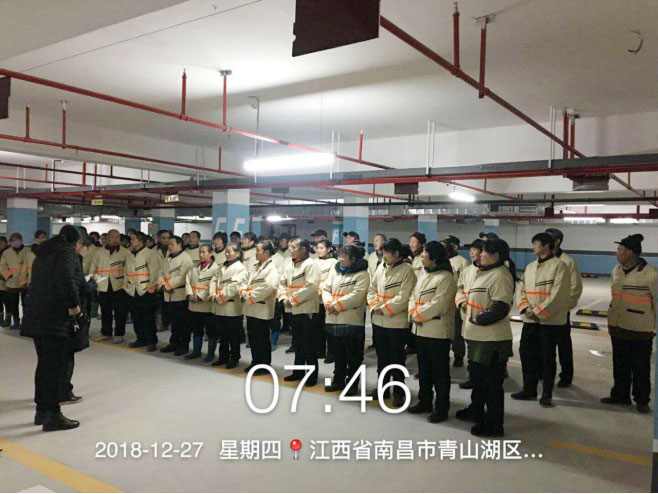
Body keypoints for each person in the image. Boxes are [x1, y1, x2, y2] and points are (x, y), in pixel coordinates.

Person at [21, 225, 87, 431]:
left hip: (37, 316)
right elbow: (66, 280)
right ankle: (52, 415)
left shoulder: (44, 253)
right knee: (54, 368)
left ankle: (41, 411)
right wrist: (74, 306)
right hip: (54, 318)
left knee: (44, 365)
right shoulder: (66, 253)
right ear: (76, 242)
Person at [457, 238, 516, 437]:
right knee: (478, 379)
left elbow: (500, 307)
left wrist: (476, 319)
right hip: (478, 338)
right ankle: (476, 410)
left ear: (496, 256)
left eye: (484, 252)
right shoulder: (484, 272)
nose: (480, 255)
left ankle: (494, 424)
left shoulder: (500, 276)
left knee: (491, 384)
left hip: (491, 340)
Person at [512, 232, 570, 407]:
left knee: (547, 358)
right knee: (526, 354)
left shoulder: (560, 266)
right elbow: (521, 289)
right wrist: (525, 308)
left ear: (546, 246)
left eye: (536, 244)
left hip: (548, 322)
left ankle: (546, 393)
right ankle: (529, 390)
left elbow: (558, 295)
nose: (533, 247)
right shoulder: (530, 267)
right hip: (530, 321)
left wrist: (538, 311)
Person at [601, 234, 656, 414]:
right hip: (618, 326)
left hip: (640, 329)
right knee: (620, 364)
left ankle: (642, 400)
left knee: (640, 367)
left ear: (630, 252)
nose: (617, 253)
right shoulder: (616, 271)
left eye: (620, 250)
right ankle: (620, 394)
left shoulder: (651, 273)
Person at [408, 241, 457, 423]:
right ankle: (425, 401)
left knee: (439, 373)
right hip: (421, 330)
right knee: (424, 370)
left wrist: (416, 315)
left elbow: (439, 304)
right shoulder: (424, 274)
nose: (422, 256)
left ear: (434, 257)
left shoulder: (446, 278)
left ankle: (442, 408)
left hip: (437, 332)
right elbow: (413, 296)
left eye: (425, 253)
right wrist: (412, 312)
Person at [367, 238, 416, 407]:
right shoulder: (381, 267)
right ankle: (383, 388)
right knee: (382, 359)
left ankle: (398, 393)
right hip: (379, 321)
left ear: (396, 254)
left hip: (396, 323)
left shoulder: (407, 271)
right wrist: (374, 305)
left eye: (387, 253)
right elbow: (372, 289)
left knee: (397, 360)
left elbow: (404, 297)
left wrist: (384, 308)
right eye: (383, 253)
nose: (384, 256)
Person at [321, 243, 369, 394]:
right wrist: (328, 303)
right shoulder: (335, 271)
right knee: (338, 354)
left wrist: (336, 306)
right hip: (333, 320)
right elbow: (326, 288)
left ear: (353, 259)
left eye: (344, 257)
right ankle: (338, 380)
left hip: (351, 321)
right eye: (340, 256)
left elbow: (357, 296)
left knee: (353, 357)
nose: (340, 259)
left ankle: (352, 385)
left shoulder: (362, 275)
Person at [545, 228, 583, 387]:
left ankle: (566, 376)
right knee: (545, 346)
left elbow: (575, 288)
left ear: (557, 242)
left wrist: (564, 308)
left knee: (563, 346)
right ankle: (545, 373)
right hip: (544, 311)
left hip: (560, 312)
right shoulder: (543, 260)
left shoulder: (568, 262)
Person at [280, 238, 321, 386]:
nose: (290, 250)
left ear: (303, 249)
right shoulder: (292, 264)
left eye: (294, 247)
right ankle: (298, 372)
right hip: (294, 310)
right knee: (298, 343)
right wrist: (283, 297)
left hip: (306, 310)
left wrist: (292, 299)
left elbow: (311, 287)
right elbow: (282, 282)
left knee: (308, 345)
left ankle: (311, 376)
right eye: (289, 247)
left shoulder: (310, 265)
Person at [240, 240, 279, 374]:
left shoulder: (271, 269)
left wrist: (249, 296)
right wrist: (243, 291)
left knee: (262, 339)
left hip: (262, 308)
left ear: (267, 252)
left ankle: (264, 365)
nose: (256, 253)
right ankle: (255, 362)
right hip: (251, 307)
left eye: (258, 250)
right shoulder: (255, 267)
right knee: (253, 338)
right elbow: (245, 281)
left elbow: (269, 287)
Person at [210, 243, 248, 368]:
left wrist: (219, 297)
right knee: (222, 335)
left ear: (237, 254)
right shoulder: (222, 266)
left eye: (230, 252)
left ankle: (234, 358)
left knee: (233, 335)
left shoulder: (240, 268)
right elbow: (214, 280)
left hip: (232, 305)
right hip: (219, 304)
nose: (227, 254)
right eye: (226, 251)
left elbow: (235, 286)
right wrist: (213, 293)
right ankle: (223, 356)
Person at [90, 229, 130, 343]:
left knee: (120, 312)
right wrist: (94, 283)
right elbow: (93, 269)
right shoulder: (99, 252)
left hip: (120, 286)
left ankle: (119, 334)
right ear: (107, 238)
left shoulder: (125, 252)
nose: (115, 239)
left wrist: (127, 284)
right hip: (103, 286)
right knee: (105, 311)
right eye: (112, 237)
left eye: (117, 237)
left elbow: (129, 269)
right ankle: (106, 333)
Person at [455, 238, 484, 389]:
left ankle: (478, 378)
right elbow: (459, 288)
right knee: (471, 349)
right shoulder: (467, 270)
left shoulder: (487, 271)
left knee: (481, 351)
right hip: (466, 315)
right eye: (470, 250)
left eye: (475, 249)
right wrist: (461, 302)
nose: (471, 252)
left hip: (481, 318)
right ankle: (472, 377)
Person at [158, 236, 194, 355]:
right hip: (168, 295)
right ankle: (173, 343)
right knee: (173, 322)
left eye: (172, 244)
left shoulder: (185, 258)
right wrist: (162, 285)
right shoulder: (167, 259)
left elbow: (182, 277)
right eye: (168, 244)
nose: (169, 246)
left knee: (183, 322)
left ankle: (183, 345)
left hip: (180, 294)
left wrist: (167, 286)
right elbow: (160, 273)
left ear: (179, 245)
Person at [124, 232, 160, 352]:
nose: (131, 241)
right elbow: (126, 271)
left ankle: (151, 341)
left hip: (146, 290)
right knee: (136, 316)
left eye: (133, 239)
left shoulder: (150, 254)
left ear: (141, 241)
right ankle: (141, 339)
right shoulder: (130, 254)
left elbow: (154, 272)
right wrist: (126, 286)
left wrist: (151, 287)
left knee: (148, 318)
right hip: (132, 290)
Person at [184, 245, 218, 360]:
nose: (201, 254)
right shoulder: (194, 267)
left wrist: (200, 296)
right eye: (200, 252)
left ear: (210, 253)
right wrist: (189, 294)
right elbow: (188, 281)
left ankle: (210, 354)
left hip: (207, 305)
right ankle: (196, 351)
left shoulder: (215, 269)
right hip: (194, 304)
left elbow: (212, 286)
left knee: (211, 331)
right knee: (196, 330)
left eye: (204, 252)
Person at [442, 235, 469, 368]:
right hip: (443, 302)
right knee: (444, 330)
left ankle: (459, 355)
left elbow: (464, 283)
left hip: (455, 302)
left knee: (457, 331)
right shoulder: (440, 262)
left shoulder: (462, 262)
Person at [0, 232, 29, 329]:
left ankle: (25, 323)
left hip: (25, 282)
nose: (15, 242)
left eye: (17, 240)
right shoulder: (6, 253)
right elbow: (2, 266)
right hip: (12, 282)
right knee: (13, 304)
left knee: (25, 304)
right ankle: (16, 322)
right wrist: (8, 276)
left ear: (21, 240)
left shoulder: (28, 251)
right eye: (12, 241)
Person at [314, 239, 336, 363]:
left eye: (322, 248)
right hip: (316, 300)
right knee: (318, 327)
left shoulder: (334, 262)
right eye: (317, 248)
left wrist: (322, 290)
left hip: (327, 299)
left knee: (329, 328)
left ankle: (331, 353)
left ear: (328, 249)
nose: (319, 250)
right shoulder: (314, 262)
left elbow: (332, 280)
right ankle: (319, 350)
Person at [153, 229, 172, 332]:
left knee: (169, 305)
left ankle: (167, 323)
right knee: (158, 305)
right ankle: (160, 324)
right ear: (159, 238)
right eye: (163, 238)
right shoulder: (152, 251)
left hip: (170, 281)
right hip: (157, 281)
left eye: (168, 238)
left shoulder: (174, 250)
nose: (166, 240)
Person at [0, 236, 9, 326]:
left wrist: (5, 277)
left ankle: (8, 318)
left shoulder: (8, 253)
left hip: (7, 281)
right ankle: (1, 318)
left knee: (7, 301)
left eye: (2, 243)